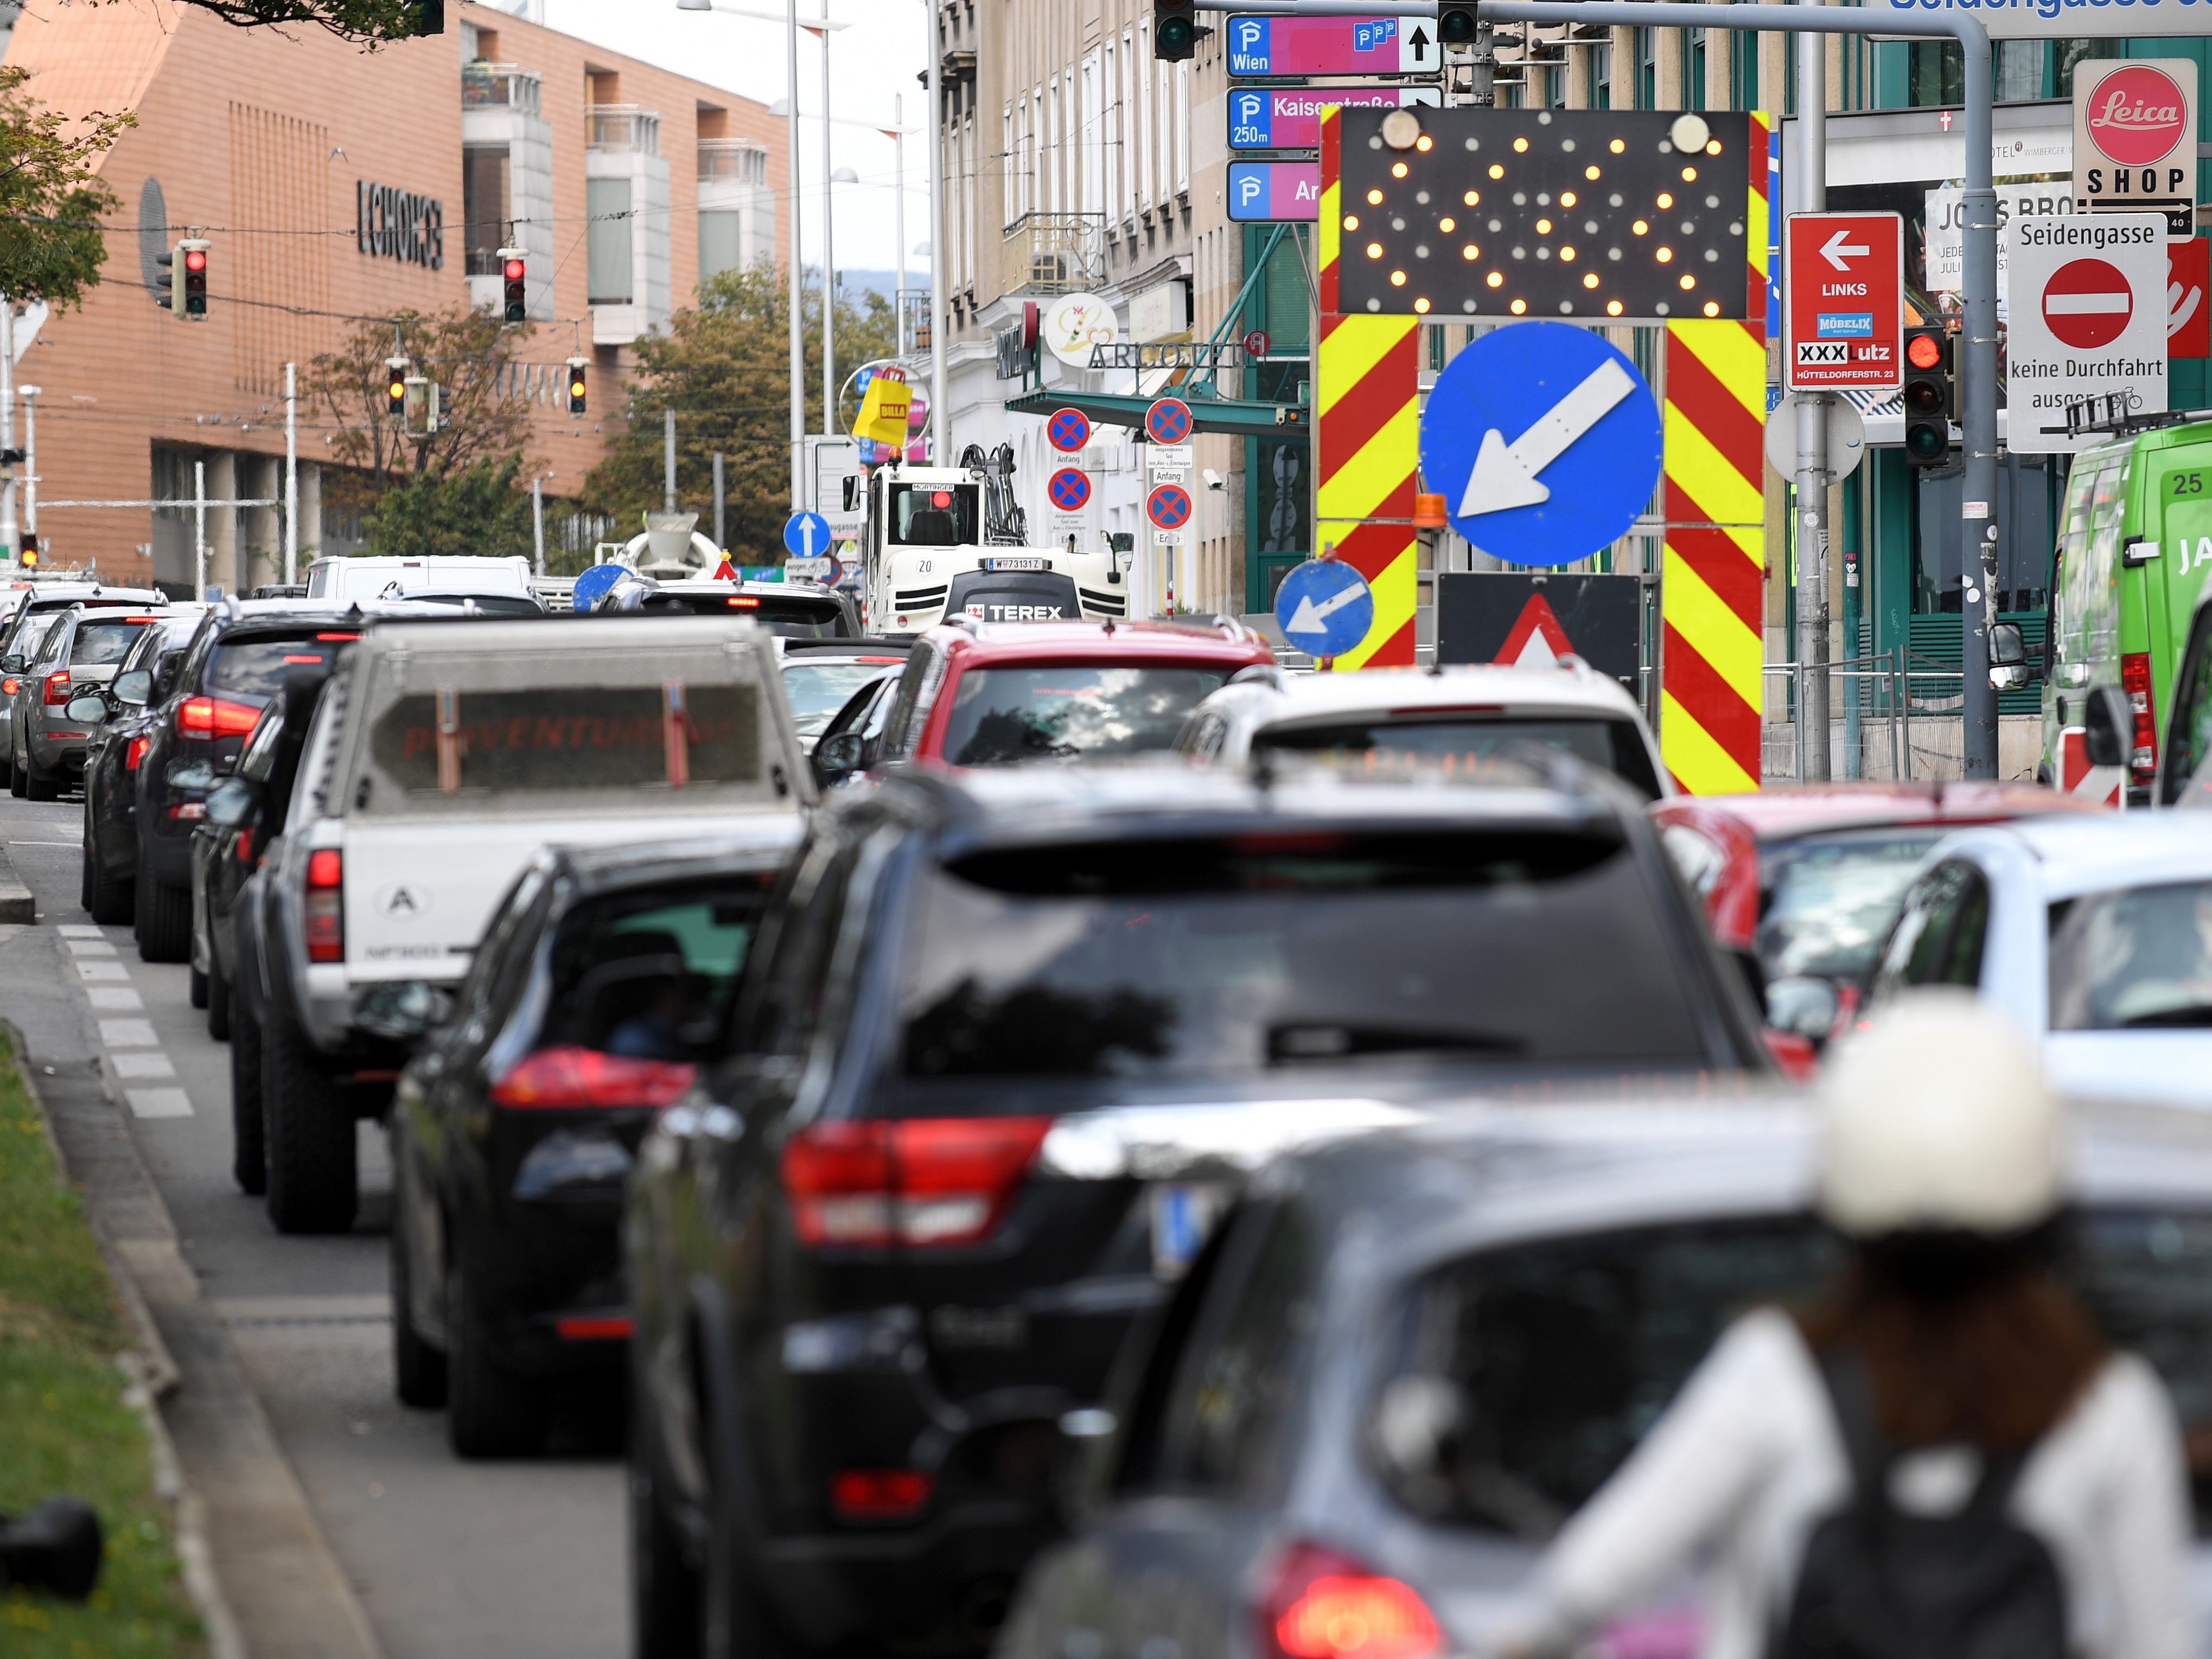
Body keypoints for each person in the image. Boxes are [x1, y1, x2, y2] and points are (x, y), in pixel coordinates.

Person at [1490, 991, 2195, 1659]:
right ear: (2044, 1214)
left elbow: (1584, 1584)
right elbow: (2159, 1641)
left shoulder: (1772, 1372)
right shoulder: (2106, 1402)